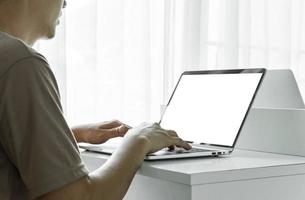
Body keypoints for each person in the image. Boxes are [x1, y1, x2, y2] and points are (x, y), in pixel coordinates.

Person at [0, 0, 191, 199]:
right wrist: (138, 141)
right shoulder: (19, 62)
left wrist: (68, 136)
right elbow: (77, 198)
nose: (65, 4)